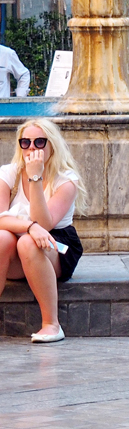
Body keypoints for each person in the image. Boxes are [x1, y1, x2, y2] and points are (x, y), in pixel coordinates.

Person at [0, 119, 86, 343]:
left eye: (39, 142)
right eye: (25, 142)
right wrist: (29, 227)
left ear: (52, 145)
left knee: (29, 243)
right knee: (3, 238)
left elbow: (44, 224)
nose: (31, 148)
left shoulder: (66, 181)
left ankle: (52, 324)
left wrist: (35, 177)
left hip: (56, 245)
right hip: (19, 239)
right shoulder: (8, 173)